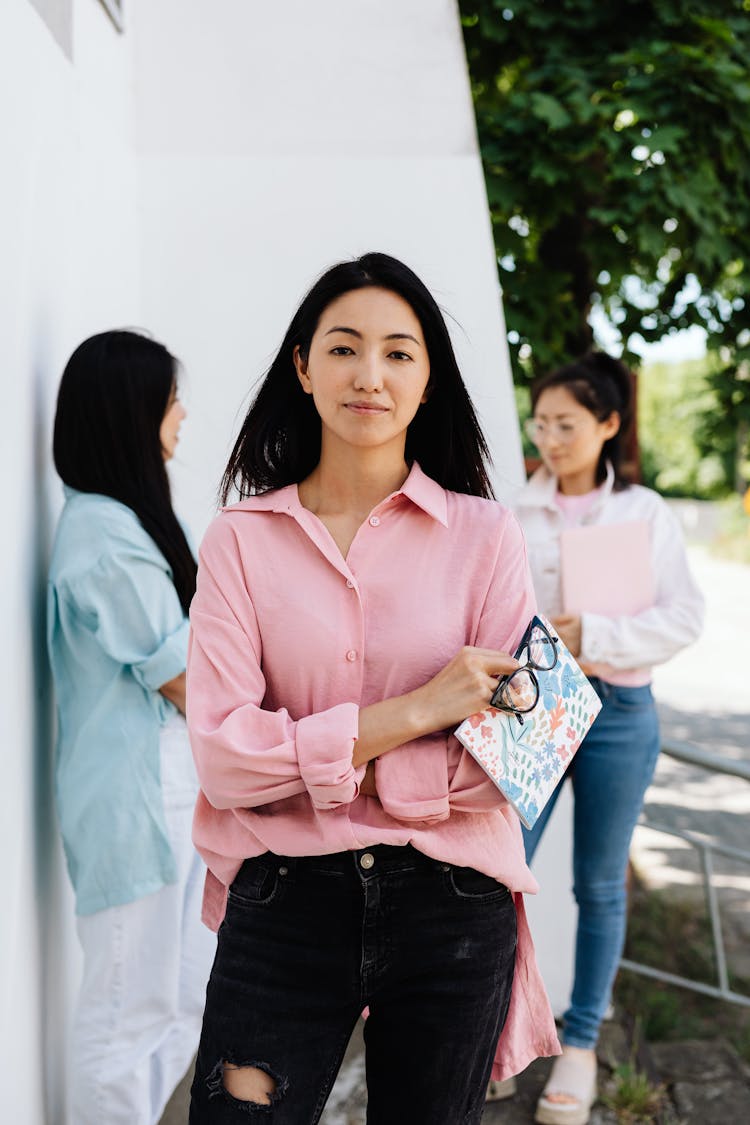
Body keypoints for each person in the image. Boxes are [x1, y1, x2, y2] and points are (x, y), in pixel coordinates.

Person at [186, 252, 560, 1124]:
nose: (371, 374)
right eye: (346, 347)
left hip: (454, 908)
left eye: (399, 352)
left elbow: (523, 757)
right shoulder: (239, 539)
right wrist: (421, 712)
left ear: (427, 381)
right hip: (285, 902)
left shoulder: (487, 535)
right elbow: (226, 762)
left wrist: (353, 770)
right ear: (304, 366)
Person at [514, 351, 704, 1125]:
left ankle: (581, 1042)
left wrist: (594, 628)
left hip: (619, 706)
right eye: (542, 423)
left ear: (609, 425)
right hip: (536, 701)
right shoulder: (513, 510)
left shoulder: (645, 513)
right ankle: (492, 1027)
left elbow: (684, 618)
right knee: (497, 874)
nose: (551, 439)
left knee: (597, 885)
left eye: (566, 424)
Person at [47, 330, 215, 1125]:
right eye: (169, 398)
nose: (181, 413)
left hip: (172, 797)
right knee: (126, 1013)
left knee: (180, 997)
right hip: (135, 806)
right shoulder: (104, 535)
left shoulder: (124, 522)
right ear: (130, 412)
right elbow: (183, 674)